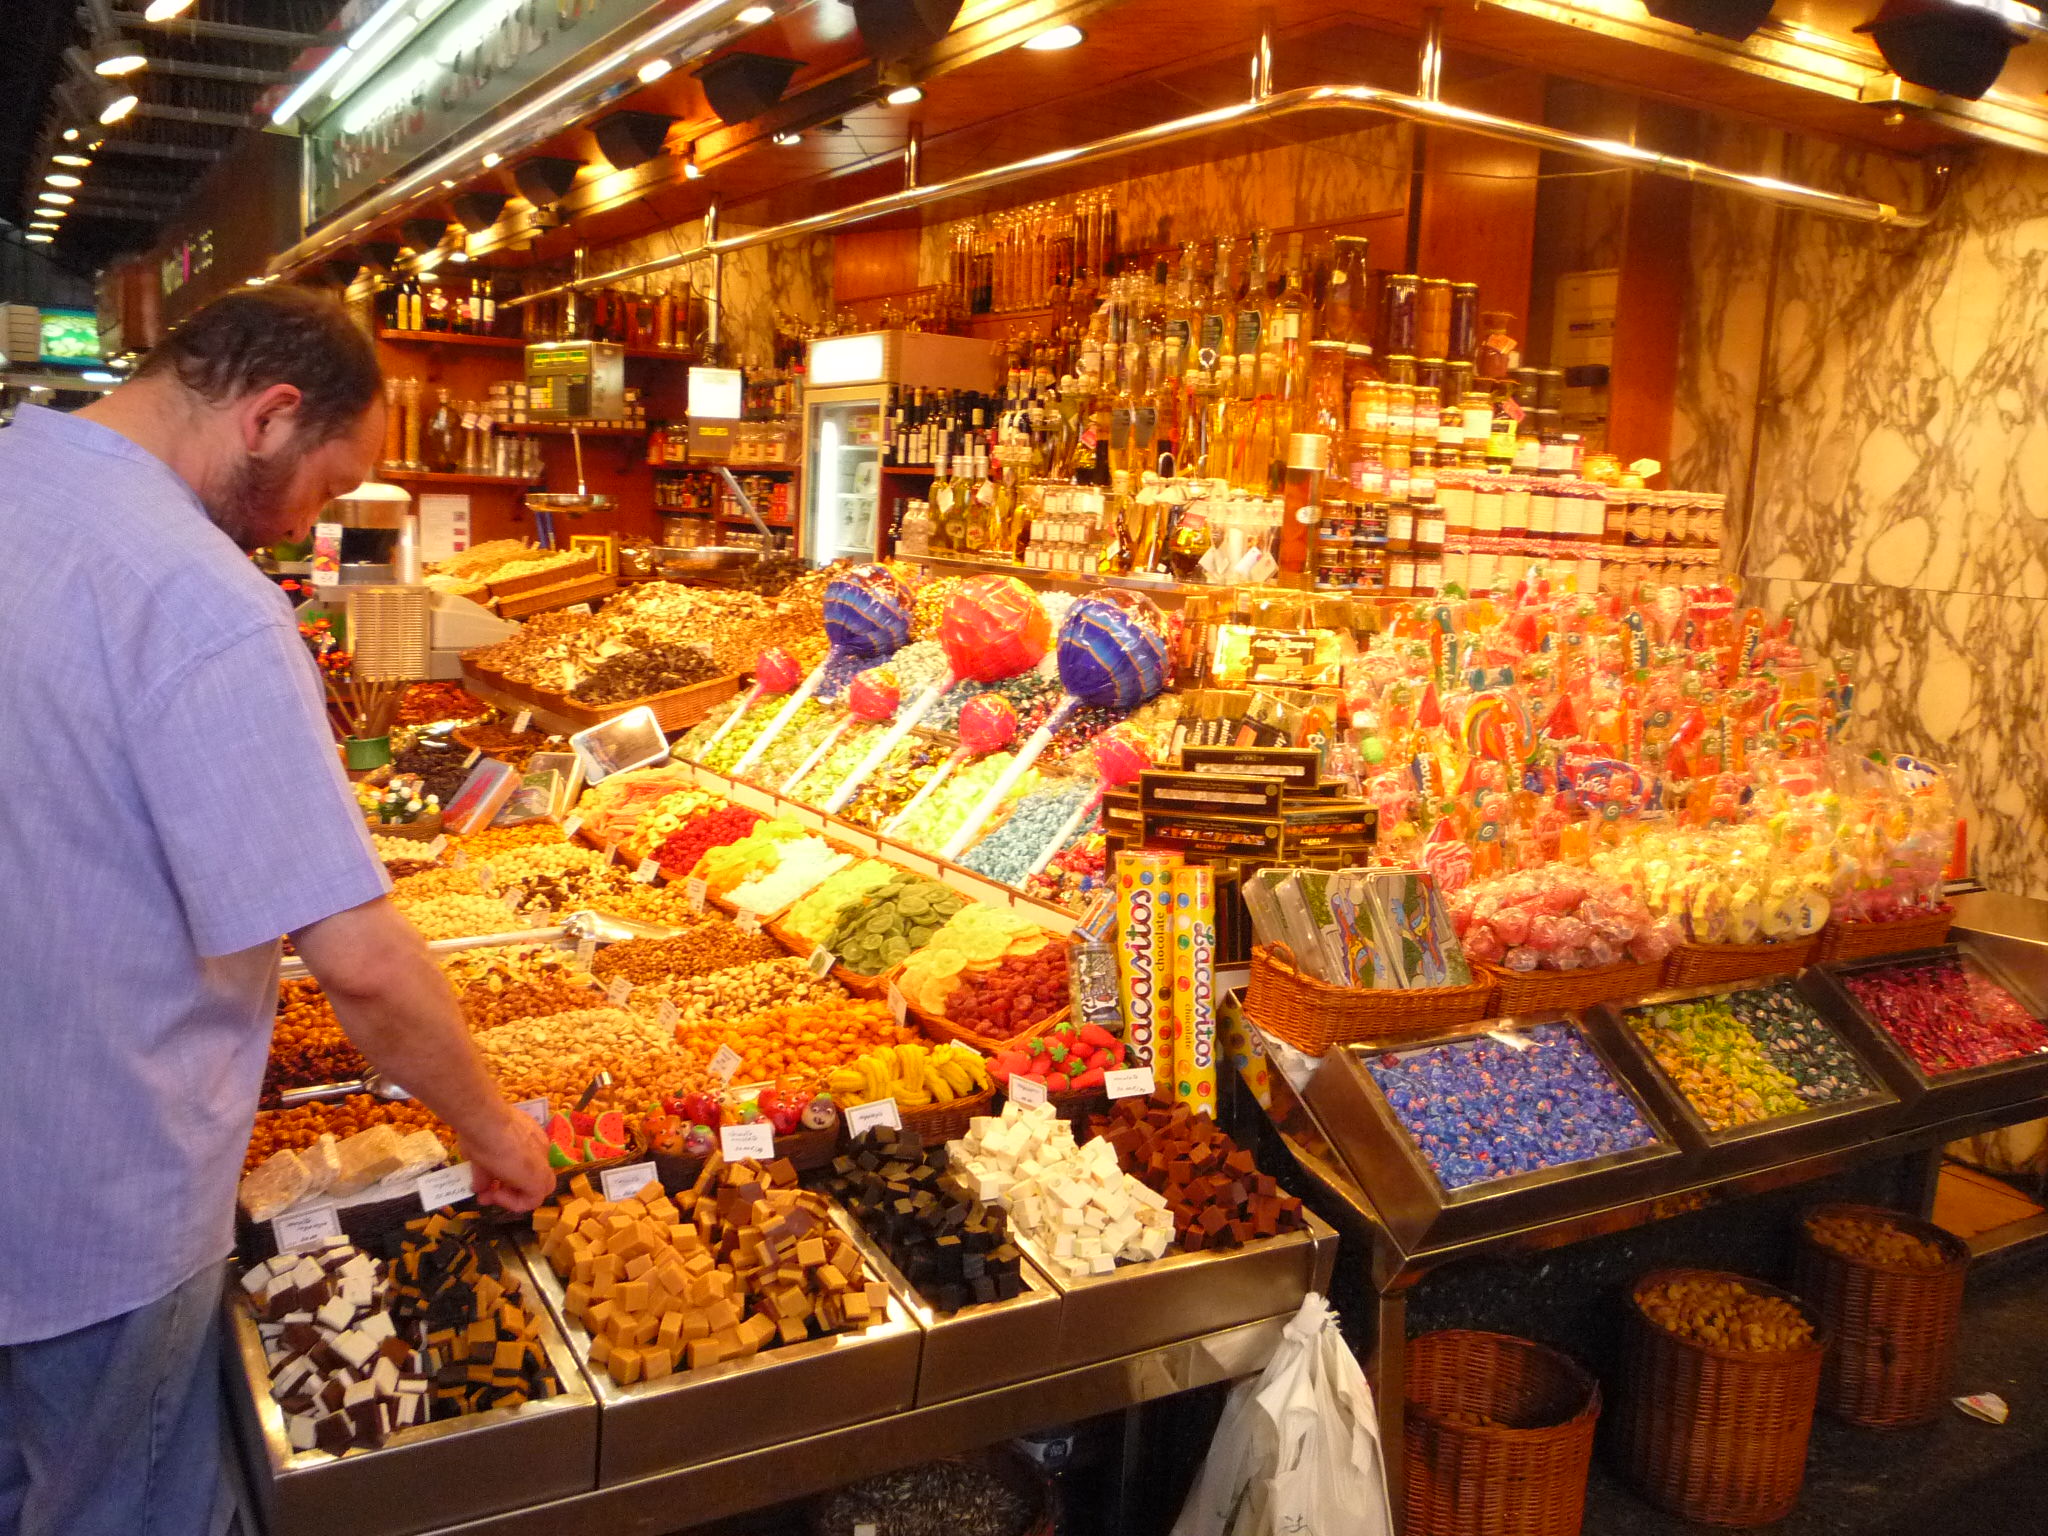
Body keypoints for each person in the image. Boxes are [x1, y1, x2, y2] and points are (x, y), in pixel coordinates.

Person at [0, 285, 554, 1536]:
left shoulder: (18, 478)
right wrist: (491, 1130)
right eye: (327, 485)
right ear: (270, 416)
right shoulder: (202, 599)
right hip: (102, 1182)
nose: (316, 522)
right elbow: (356, 958)